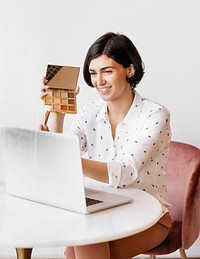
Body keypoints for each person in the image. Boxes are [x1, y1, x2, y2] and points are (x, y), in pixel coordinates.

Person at [40, 32, 173, 259]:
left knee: (82, 248)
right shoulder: (90, 112)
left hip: (148, 216)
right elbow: (57, 158)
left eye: (107, 71)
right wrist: (58, 112)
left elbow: (125, 171)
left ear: (129, 70)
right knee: (77, 248)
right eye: (93, 73)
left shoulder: (155, 115)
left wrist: (68, 160)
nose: (98, 81)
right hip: (101, 210)